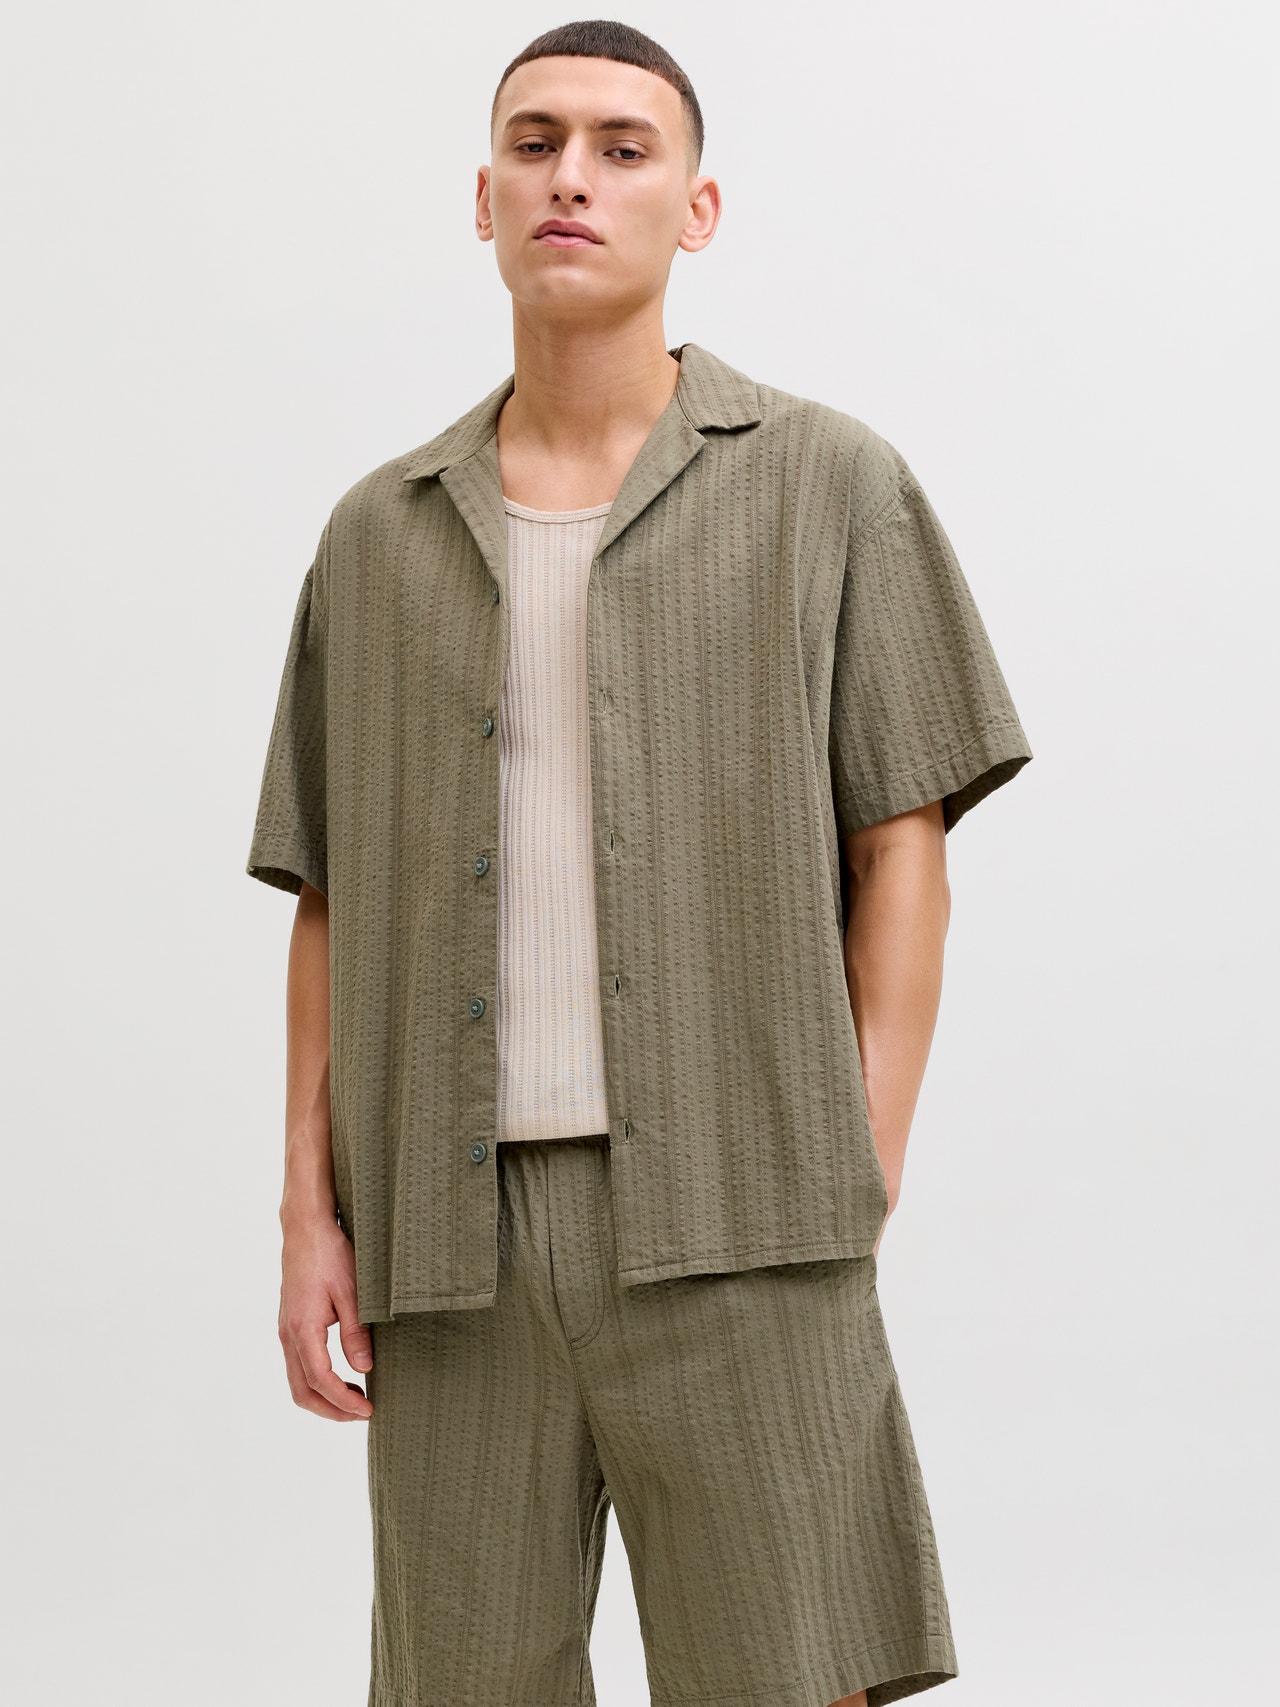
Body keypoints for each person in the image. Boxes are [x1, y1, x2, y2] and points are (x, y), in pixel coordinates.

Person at [245, 20, 1033, 1707]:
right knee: (460, 1685)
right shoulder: (377, 536)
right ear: (482, 197)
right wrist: (309, 1213)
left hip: (750, 1215)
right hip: (446, 1241)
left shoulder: (829, 486)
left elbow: (903, 843)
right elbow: (328, 895)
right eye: (535, 144)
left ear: (699, 206)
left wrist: (857, 1155)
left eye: (622, 148)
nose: (573, 180)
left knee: (794, 1676)